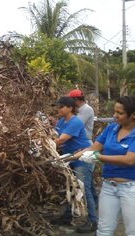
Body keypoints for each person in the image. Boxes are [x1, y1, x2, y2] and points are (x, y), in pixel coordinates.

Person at [77, 96, 135, 236]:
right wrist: (67, 157)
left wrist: (98, 157)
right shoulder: (112, 129)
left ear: (134, 115)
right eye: (115, 112)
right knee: (103, 230)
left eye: (120, 113)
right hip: (109, 187)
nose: (115, 116)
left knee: (134, 232)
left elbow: (129, 160)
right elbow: (93, 149)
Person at [53, 96, 98, 233]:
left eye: (61, 107)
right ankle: (68, 215)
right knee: (70, 186)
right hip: (70, 158)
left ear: (70, 108)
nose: (58, 109)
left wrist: (40, 145)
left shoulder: (76, 122)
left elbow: (60, 140)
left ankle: (93, 221)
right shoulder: (61, 121)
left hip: (82, 159)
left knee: (85, 190)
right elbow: (55, 134)